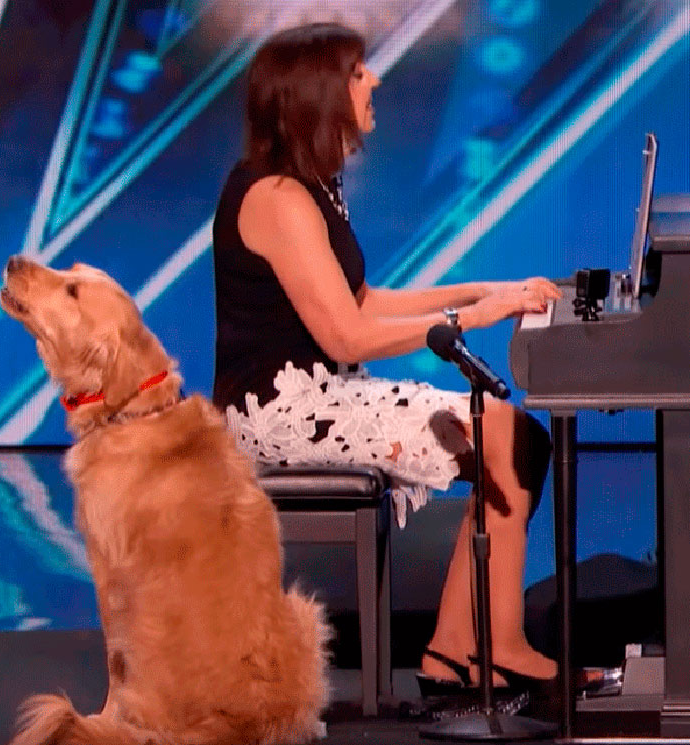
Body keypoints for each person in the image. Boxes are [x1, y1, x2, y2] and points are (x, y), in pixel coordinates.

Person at [211, 22, 562, 696]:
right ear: (317, 91)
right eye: (356, 72)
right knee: (505, 433)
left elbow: (363, 299)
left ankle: (459, 650)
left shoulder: (311, 183)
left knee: (516, 438)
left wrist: (478, 289)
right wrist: (466, 319)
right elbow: (346, 337)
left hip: (321, 393)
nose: (373, 81)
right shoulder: (275, 197)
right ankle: (492, 647)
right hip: (281, 413)